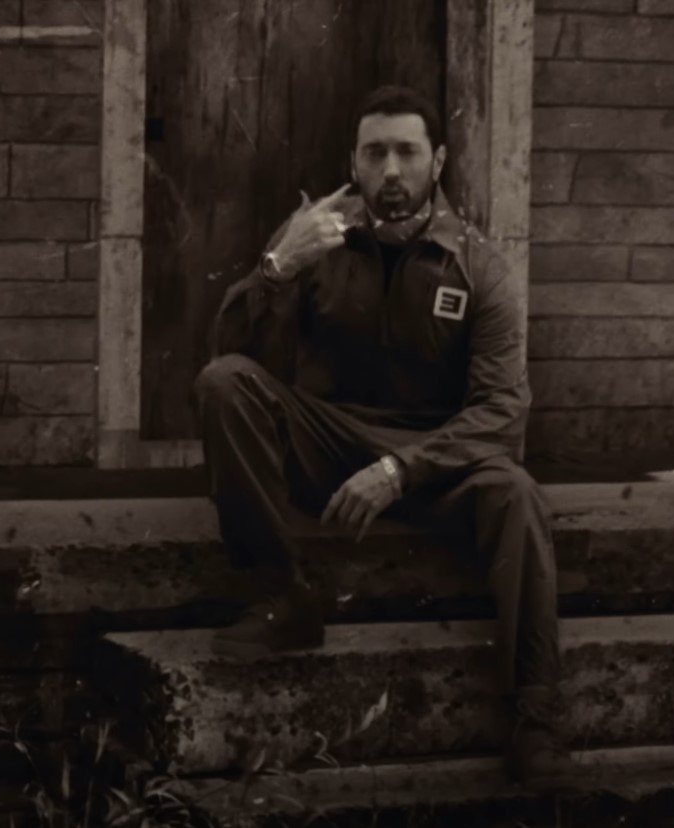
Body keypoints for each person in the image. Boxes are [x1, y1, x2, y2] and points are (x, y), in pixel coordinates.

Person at [194, 85, 570, 786]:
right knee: (224, 384)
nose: (390, 170)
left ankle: (537, 715)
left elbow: (501, 410)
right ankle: (282, 594)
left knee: (518, 496)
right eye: (374, 153)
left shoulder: (479, 265)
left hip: (436, 461)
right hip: (330, 441)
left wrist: (402, 468)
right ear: (353, 163)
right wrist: (277, 268)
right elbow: (229, 354)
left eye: (406, 152)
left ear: (438, 162)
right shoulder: (314, 238)